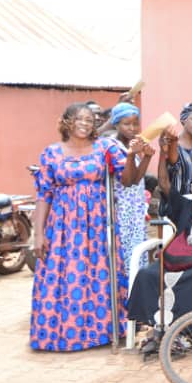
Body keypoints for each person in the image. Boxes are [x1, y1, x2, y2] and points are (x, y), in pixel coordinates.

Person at [31, 103, 127, 351]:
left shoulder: (105, 147)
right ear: (66, 122)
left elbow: (129, 177)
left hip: (97, 223)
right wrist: (39, 234)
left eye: (90, 120)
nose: (85, 124)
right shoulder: (51, 153)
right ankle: (61, 335)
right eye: (79, 119)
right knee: (63, 276)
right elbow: (44, 194)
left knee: (98, 273)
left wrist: (144, 154)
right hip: (62, 227)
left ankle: (101, 333)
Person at [127, 170, 192, 353]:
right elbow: (164, 182)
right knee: (147, 273)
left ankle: (182, 332)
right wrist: (164, 152)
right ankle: (157, 329)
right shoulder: (185, 207)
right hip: (174, 258)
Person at [110, 103, 155, 276]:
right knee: (125, 256)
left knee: (137, 255)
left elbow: (137, 179)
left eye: (135, 124)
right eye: (126, 124)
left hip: (135, 211)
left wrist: (146, 157)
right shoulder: (114, 147)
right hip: (122, 212)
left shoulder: (133, 146)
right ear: (116, 124)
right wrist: (131, 155)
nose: (132, 128)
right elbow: (127, 181)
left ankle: (134, 294)